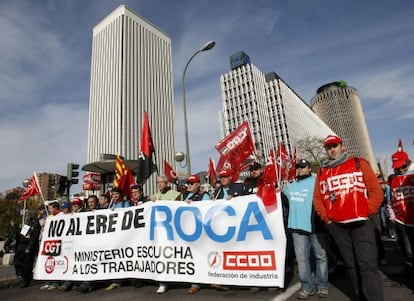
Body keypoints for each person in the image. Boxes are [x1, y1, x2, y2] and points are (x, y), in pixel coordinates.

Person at [313, 135, 384, 301]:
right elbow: (318, 199)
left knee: (367, 265)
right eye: (328, 147)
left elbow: (376, 191)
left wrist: (367, 211)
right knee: (351, 266)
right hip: (338, 226)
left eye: (334, 146)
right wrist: (327, 219)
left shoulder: (359, 163)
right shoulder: (322, 171)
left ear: (342, 146)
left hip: (361, 224)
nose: (332, 150)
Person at [284, 159, 328, 299]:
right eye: (298, 167)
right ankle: (307, 286)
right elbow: (282, 201)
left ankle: (322, 285)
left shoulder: (317, 182)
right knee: (302, 259)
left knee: (320, 256)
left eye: (303, 167)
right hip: (297, 227)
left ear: (309, 168)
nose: (300, 169)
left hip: (315, 226)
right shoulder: (290, 186)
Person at [150, 175, 182, 294]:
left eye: (162, 182)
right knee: (162, 256)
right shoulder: (155, 196)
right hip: (159, 232)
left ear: (167, 183)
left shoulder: (175, 194)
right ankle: (163, 282)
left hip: (173, 230)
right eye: (158, 182)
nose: (159, 185)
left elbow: (176, 206)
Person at [182, 175, 211, 294]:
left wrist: (193, 204)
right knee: (191, 256)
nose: (189, 185)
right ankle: (194, 281)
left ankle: (200, 282)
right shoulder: (185, 196)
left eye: (192, 183)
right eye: (188, 183)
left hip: (201, 231)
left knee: (202, 255)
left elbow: (207, 211)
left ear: (198, 184)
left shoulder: (205, 196)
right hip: (188, 230)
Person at [386, 148, 414, 272]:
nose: (399, 169)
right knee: (408, 250)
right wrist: (391, 214)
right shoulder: (392, 179)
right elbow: (390, 199)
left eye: (402, 166)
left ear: (407, 162)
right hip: (401, 220)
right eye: (397, 167)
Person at [14, 211, 41, 288]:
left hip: (29, 246)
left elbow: (33, 237)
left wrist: (29, 247)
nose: (29, 216)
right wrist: (16, 227)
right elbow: (22, 234)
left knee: (27, 264)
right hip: (22, 245)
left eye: (31, 214)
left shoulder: (36, 224)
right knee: (18, 261)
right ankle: (22, 275)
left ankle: (26, 280)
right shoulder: (27, 224)